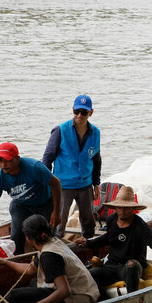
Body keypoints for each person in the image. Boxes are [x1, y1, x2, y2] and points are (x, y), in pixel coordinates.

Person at [76, 185, 152, 300]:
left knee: (132, 265)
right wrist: (88, 243)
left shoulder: (141, 227)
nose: (122, 212)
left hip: (130, 267)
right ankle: (104, 300)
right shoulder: (111, 220)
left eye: (126, 208)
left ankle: (132, 300)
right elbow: (107, 238)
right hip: (112, 266)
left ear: (132, 209)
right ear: (115, 208)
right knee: (89, 275)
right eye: (119, 208)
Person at [0, 215, 99, 303]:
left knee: (14, 296)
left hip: (77, 300)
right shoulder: (53, 241)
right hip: (87, 291)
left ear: (28, 238)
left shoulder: (49, 255)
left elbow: (64, 291)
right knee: (34, 282)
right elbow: (30, 269)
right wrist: (5, 262)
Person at [0, 142, 62, 255]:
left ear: (17, 159)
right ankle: (18, 258)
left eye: (8, 160)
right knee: (16, 235)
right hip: (21, 205)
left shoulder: (34, 167)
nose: (4, 164)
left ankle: (48, 256)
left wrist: (56, 212)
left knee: (45, 236)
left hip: (45, 203)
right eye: (0, 160)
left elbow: (56, 184)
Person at [43, 94, 102, 239]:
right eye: (77, 112)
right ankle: (56, 247)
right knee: (58, 221)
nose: (80, 116)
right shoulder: (60, 130)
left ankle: (88, 245)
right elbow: (47, 159)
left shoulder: (96, 133)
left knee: (88, 221)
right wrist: (48, 184)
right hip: (63, 185)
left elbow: (96, 159)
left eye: (84, 112)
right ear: (73, 110)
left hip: (85, 184)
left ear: (91, 113)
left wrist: (96, 184)